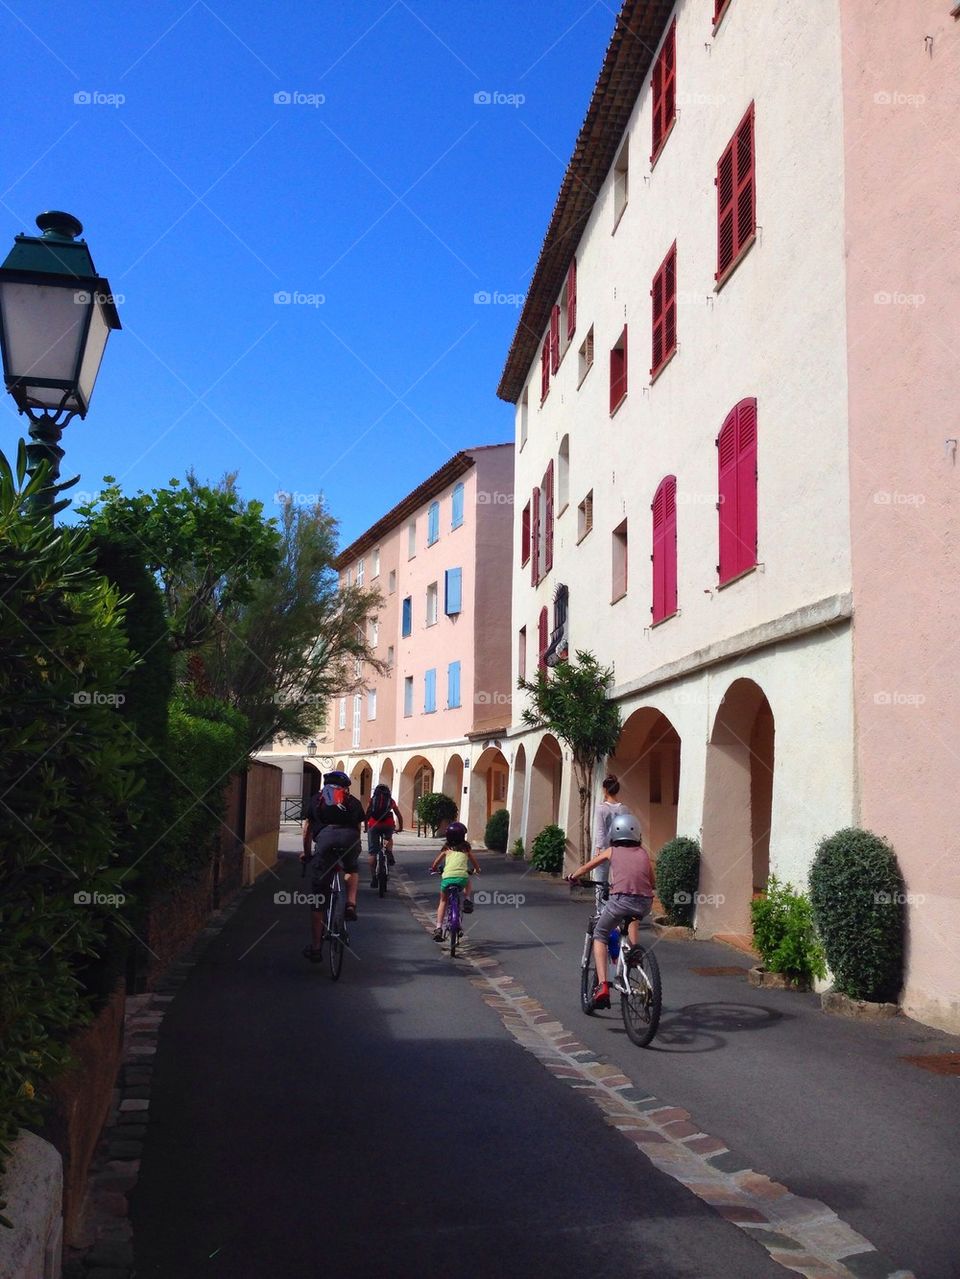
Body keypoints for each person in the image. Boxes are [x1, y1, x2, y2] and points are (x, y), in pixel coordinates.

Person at [567, 811, 654, 1009]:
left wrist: (573, 876)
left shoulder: (611, 851)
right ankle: (634, 955)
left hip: (620, 901)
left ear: (614, 834)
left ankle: (603, 986)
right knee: (633, 919)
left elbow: (587, 867)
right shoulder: (643, 854)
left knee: (600, 933)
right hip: (645, 903)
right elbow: (652, 880)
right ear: (637, 835)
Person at [300, 771, 365, 960]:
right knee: (351, 868)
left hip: (325, 842)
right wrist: (352, 849)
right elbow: (358, 829)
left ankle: (316, 948)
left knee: (319, 898)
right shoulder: (352, 801)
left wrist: (307, 852)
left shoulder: (317, 800)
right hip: (350, 839)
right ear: (345, 787)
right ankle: (351, 904)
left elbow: (307, 830)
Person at [429, 821, 482, 942]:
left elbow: (436, 863)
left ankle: (438, 928)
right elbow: (475, 864)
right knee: (467, 880)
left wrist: (434, 869)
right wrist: (477, 870)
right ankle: (467, 899)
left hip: (447, 878)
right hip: (461, 878)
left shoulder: (446, 849)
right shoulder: (466, 849)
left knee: (443, 901)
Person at [365, 782, 403, 887]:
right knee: (388, 838)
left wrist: (366, 827)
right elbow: (398, 814)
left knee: (372, 853)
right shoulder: (390, 801)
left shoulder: (372, 800)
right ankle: (389, 851)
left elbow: (367, 813)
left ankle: (373, 878)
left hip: (373, 825)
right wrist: (400, 827)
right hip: (388, 825)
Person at [593, 774, 628, 875]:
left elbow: (601, 830)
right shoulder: (624, 809)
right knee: (618, 879)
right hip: (620, 848)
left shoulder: (601, 808)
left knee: (600, 881)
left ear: (605, 790)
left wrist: (598, 848)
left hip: (604, 848)